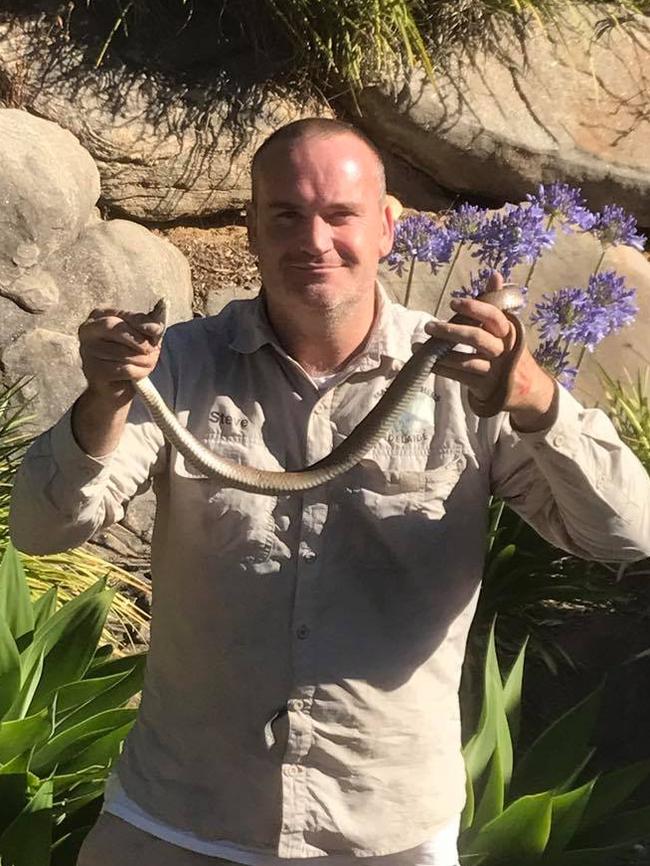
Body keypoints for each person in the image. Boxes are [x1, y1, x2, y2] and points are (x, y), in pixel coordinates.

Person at [9, 118, 650, 866]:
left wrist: (540, 401)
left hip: (384, 831)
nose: (313, 241)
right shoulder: (178, 369)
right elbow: (41, 530)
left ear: (385, 228)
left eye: (339, 215)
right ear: (251, 228)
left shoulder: (467, 382)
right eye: (285, 215)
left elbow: (627, 535)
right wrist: (106, 400)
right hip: (180, 818)